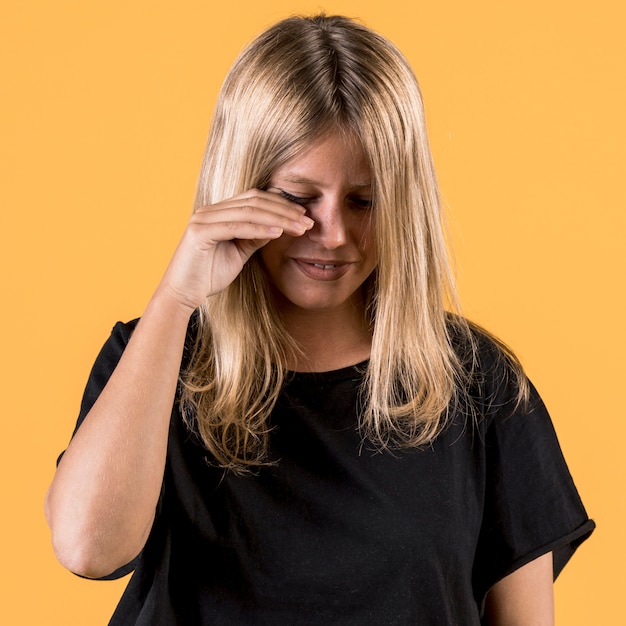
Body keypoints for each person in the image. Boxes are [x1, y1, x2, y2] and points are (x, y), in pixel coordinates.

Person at [45, 14, 594, 625]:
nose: (331, 235)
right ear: (242, 186)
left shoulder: (477, 385)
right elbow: (87, 549)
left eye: (365, 200)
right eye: (298, 197)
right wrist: (176, 298)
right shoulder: (156, 359)